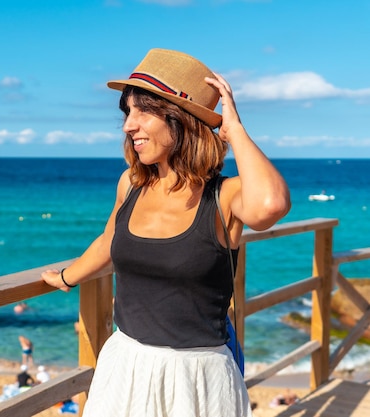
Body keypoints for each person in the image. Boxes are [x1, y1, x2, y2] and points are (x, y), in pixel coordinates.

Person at [41, 48, 291, 416]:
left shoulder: (225, 196)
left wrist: (233, 129)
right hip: (125, 363)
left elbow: (271, 205)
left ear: (181, 119)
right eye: (128, 113)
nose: (128, 125)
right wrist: (66, 276)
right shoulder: (131, 183)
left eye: (143, 111)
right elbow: (110, 241)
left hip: (199, 377)